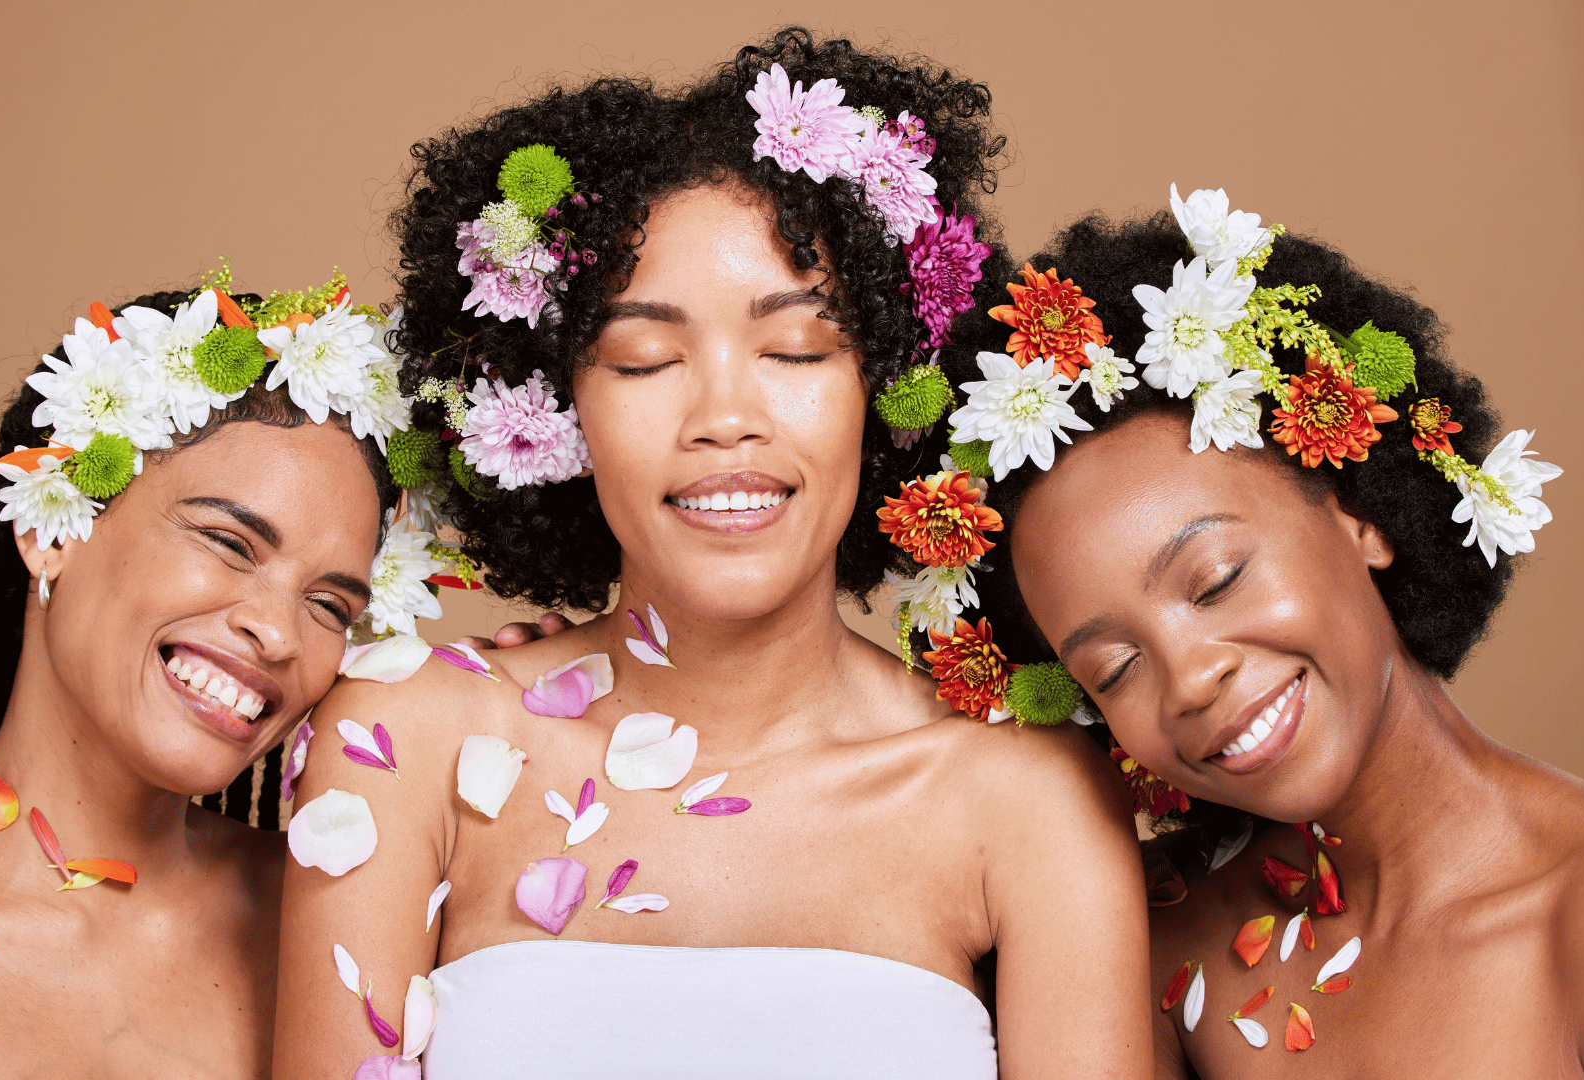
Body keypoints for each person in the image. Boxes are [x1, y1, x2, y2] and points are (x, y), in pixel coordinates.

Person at [273, 29, 1151, 1079]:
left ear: (883, 393)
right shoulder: (404, 742)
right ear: (557, 409)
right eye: (645, 360)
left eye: (795, 350)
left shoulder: (1029, 798)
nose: (726, 417)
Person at [931, 193, 1584, 1076]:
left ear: (1363, 514)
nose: (1190, 679)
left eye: (1215, 580)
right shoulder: (1158, 948)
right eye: (1115, 666)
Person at [0, 271, 460, 1076]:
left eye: (331, 605)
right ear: (55, 524)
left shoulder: (350, 920)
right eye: (229, 543)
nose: (275, 633)